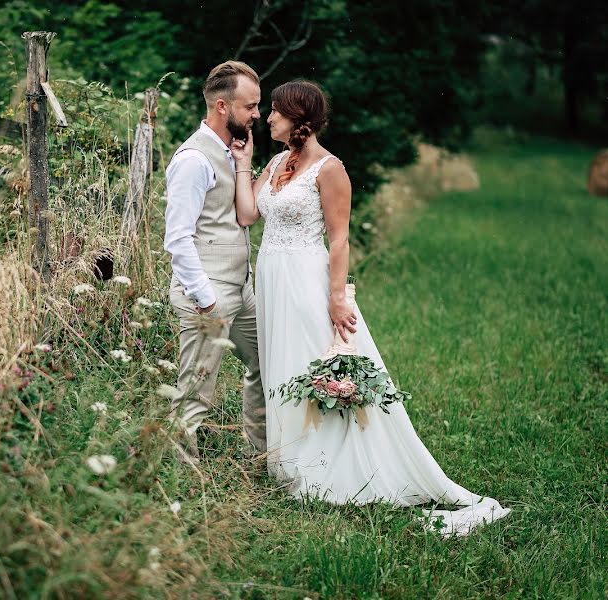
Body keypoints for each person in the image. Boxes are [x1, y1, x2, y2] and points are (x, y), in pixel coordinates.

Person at [230, 80, 510, 536]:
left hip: (305, 279)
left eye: (276, 111)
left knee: (312, 365)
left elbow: (339, 238)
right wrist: (244, 165)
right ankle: (292, 462)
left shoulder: (329, 168)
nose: (268, 118)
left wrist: (337, 297)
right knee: (281, 366)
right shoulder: (277, 162)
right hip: (273, 280)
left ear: (299, 118)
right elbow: (247, 215)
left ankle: (326, 469)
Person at [163, 61, 266, 462]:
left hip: (240, 289)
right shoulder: (193, 159)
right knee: (195, 391)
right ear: (222, 107)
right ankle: (177, 479)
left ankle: (260, 454)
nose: (257, 114)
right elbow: (177, 238)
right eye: (250, 106)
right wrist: (205, 299)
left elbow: (239, 217)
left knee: (265, 361)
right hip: (208, 294)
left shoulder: (232, 151)